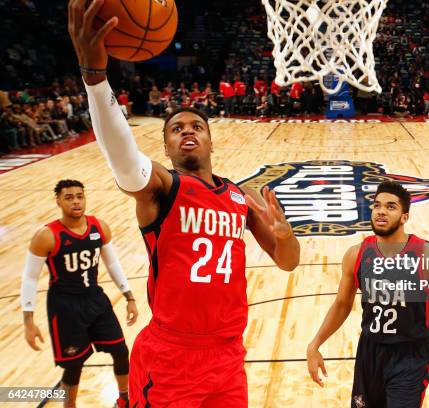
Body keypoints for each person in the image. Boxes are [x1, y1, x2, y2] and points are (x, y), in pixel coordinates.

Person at [68, 1, 301, 406]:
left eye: (197, 127)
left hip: (228, 356)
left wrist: (285, 235)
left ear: (211, 140)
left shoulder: (237, 196)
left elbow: (288, 261)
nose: (188, 131)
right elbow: (125, 164)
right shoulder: (162, 187)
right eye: (177, 128)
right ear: (166, 144)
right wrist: (95, 79)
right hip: (170, 357)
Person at [307, 181, 429, 407]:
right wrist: (315, 344)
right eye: (377, 205)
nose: (381, 211)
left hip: (410, 356)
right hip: (370, 352)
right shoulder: (357, 254)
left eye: (391, 206)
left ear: (404, 216)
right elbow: (342, 304)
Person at [20, 179, 138, 408]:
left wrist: (129, 297)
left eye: (80, 196)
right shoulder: (46, 235)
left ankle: (124, 398)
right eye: (69, 197)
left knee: (121, 350)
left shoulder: (99, 227)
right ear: (58, 201)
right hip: (65, 307)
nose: (76, 201)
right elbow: (29, 278)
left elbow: (112, 265)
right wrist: (28, 321)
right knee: (73, 367)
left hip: (95, 299)